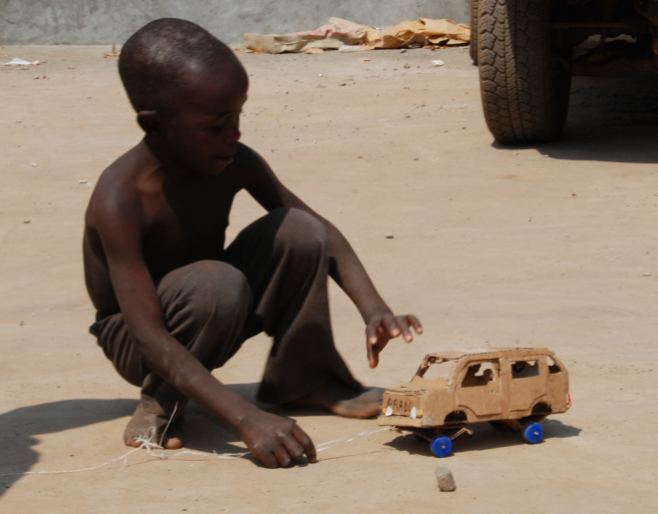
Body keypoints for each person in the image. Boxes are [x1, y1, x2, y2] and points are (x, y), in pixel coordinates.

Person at [82, 18, 422, 469]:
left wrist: (374, 309)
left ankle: (306, 377)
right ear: (156, 124)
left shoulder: (233, 160)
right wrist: (246, 419)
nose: (235, 133)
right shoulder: (120, 198)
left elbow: (321, 232)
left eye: (238, 115)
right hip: (136, 336)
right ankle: (160, 399)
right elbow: (147, 336)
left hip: (218, 305)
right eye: (217, 124)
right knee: (215, 282)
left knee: (298, 229)